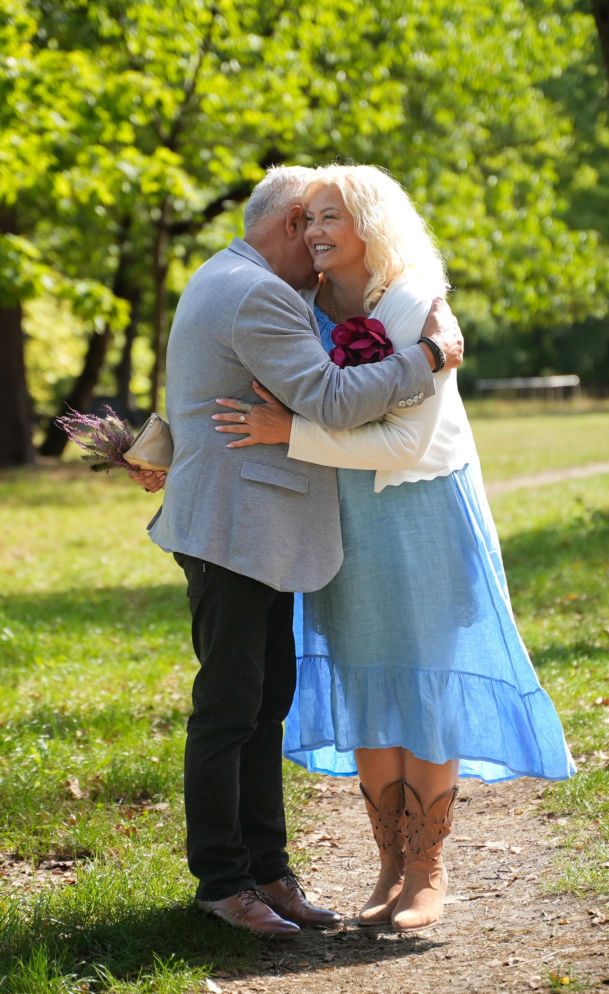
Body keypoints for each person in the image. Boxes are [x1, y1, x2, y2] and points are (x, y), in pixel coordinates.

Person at [212, 163, 576, 933]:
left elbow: (408, 442)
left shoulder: (417, 304)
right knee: (368, 686)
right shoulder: (302, 305)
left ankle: (428, 870)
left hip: (421, 509)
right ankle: (386, 866)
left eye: (330, 218)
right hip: (343, 519)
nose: (312, 232)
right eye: (307, 219)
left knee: (425, 684)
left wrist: (295, 434)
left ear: (371, 223)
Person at [141, 165, 465, 939]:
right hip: (235, 529)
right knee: (230, 709)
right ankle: (226, 883)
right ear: (290, 225)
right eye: (311, 227)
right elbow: (330, 398)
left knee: (263, 707)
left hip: (254, 529)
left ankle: (268, 872)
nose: (317, 250)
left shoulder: (224, 275)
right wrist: (429, 356)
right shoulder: (255, 293)